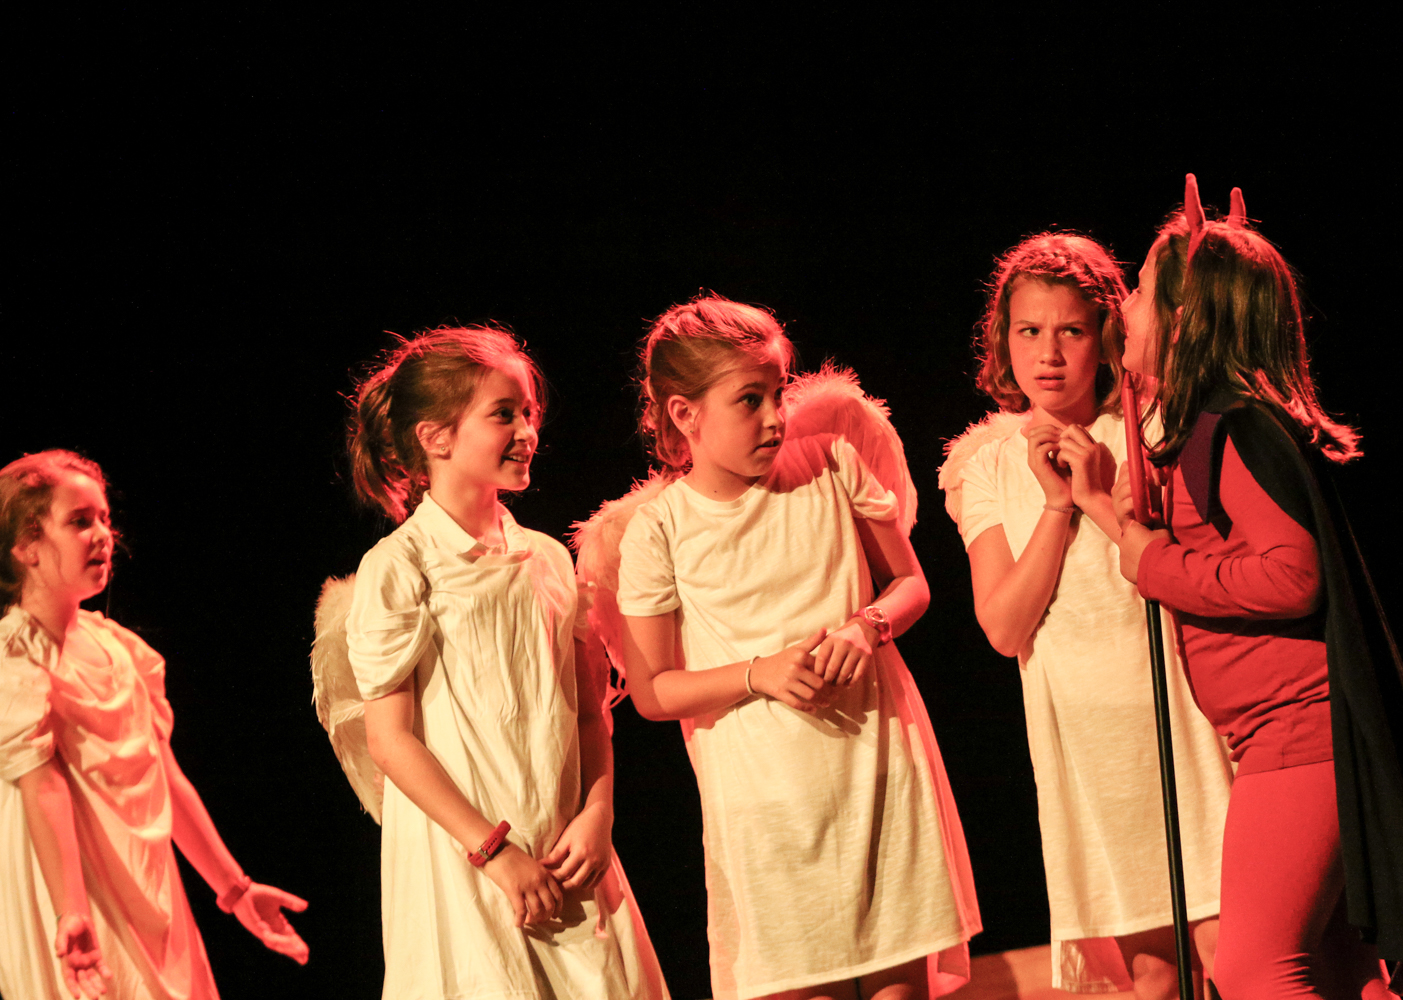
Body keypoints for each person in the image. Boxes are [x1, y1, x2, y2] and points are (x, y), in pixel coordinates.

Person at [1106, 180, 1403, 999]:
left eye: (1139, 290)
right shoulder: (1219, 428)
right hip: (1289, 735)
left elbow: (1291, 574)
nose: (1123, 308)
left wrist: (1152, 563)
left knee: (1252, 969)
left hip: (1298, 735)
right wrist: (1125, 525)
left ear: (1184, 317)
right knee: (1344, 974)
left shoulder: (1232, 427)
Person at [606, 295, 980, 1000]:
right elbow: (652, 691)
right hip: (766, 805)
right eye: (750, 400)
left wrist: (866, 625)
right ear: (685, 414)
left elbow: (910, 584)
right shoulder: (659, 530)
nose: (776, 417)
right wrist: (758, 674)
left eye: (778, 394)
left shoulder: (831, 464)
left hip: (878, 771)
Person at [938, 233, 1231, 998]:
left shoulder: (1153, 425)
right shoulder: (986, 465)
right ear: (1003, 340)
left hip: (1184, 717)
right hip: (1090, 740)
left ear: (1105, 334)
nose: (1048, 354)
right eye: (1029, 331)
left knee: (1233, 949)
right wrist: (1059, 504)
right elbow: (1005, 627)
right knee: (1152, 972)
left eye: (1070, 330)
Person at [341, 325, 667, 1000]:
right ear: (436, 437)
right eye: (503, 414)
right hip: (469, 863)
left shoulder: (546, 558)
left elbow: (586, 714)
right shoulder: (400, 567)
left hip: (567, 852)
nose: (527, 431)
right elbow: (390, 739)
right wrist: (493, 852)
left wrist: (598, 812)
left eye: (529, 412)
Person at [0, 449, 308, 1000]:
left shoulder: (118, 650)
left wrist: (235, 889)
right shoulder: (15, 664)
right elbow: (42, 787)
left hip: (145, 883)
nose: (102, 536)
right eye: (79, 521)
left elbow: (163, 776)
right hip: (72, 891)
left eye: (104, 519)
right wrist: (72, 911)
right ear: (27, 546)